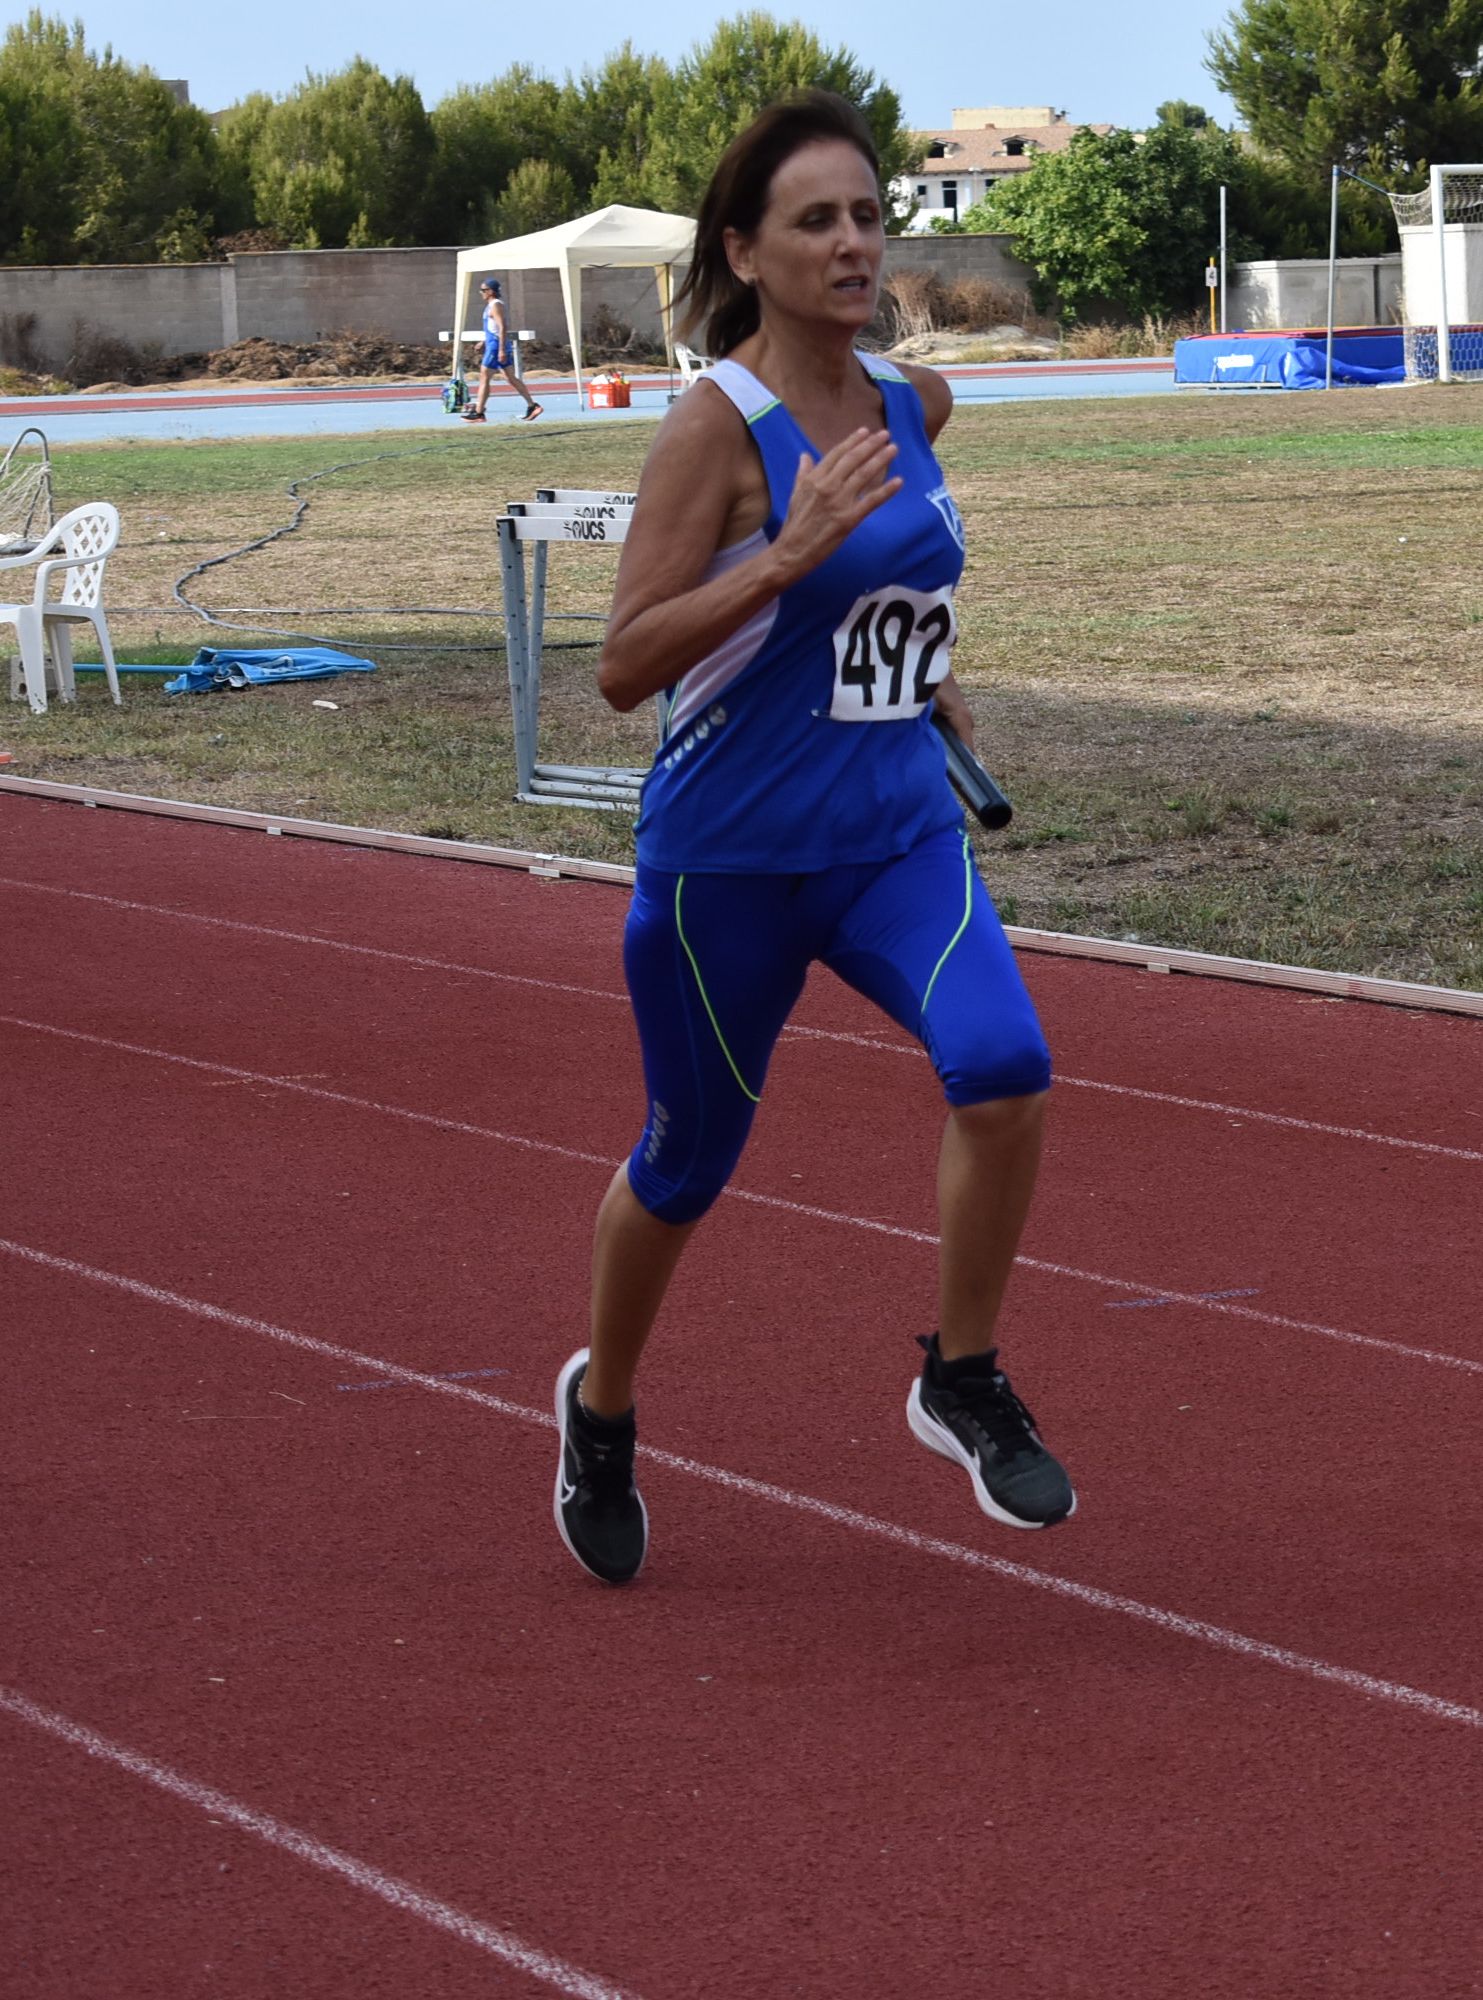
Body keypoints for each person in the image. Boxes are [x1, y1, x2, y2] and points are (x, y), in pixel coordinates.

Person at [550, 92, 1067, 1585]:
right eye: (815, 222)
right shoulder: (713, 430)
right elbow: (625, 663)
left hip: (895, 837)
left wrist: (927, 660)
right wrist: (786, 555)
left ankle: (959, 1375)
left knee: (1005, 1067)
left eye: (866, 216)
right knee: (686, 1163)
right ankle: (602, 1406)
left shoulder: (916, 405)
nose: (853, 245)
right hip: (729, 865)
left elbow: (894, 584)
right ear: (744, 252)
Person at [464, 278, 543, 422]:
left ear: (490, 291)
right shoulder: (491, 306)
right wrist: (484, 341)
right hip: (493, 344)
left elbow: (502, 327)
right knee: (510, 378)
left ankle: (479, 412)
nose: (481, 293)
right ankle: (532, 406)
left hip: (495, 347)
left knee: (484, 377)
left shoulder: (496, 305)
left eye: (483, 290)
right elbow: (493, 328)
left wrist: (500, 350)